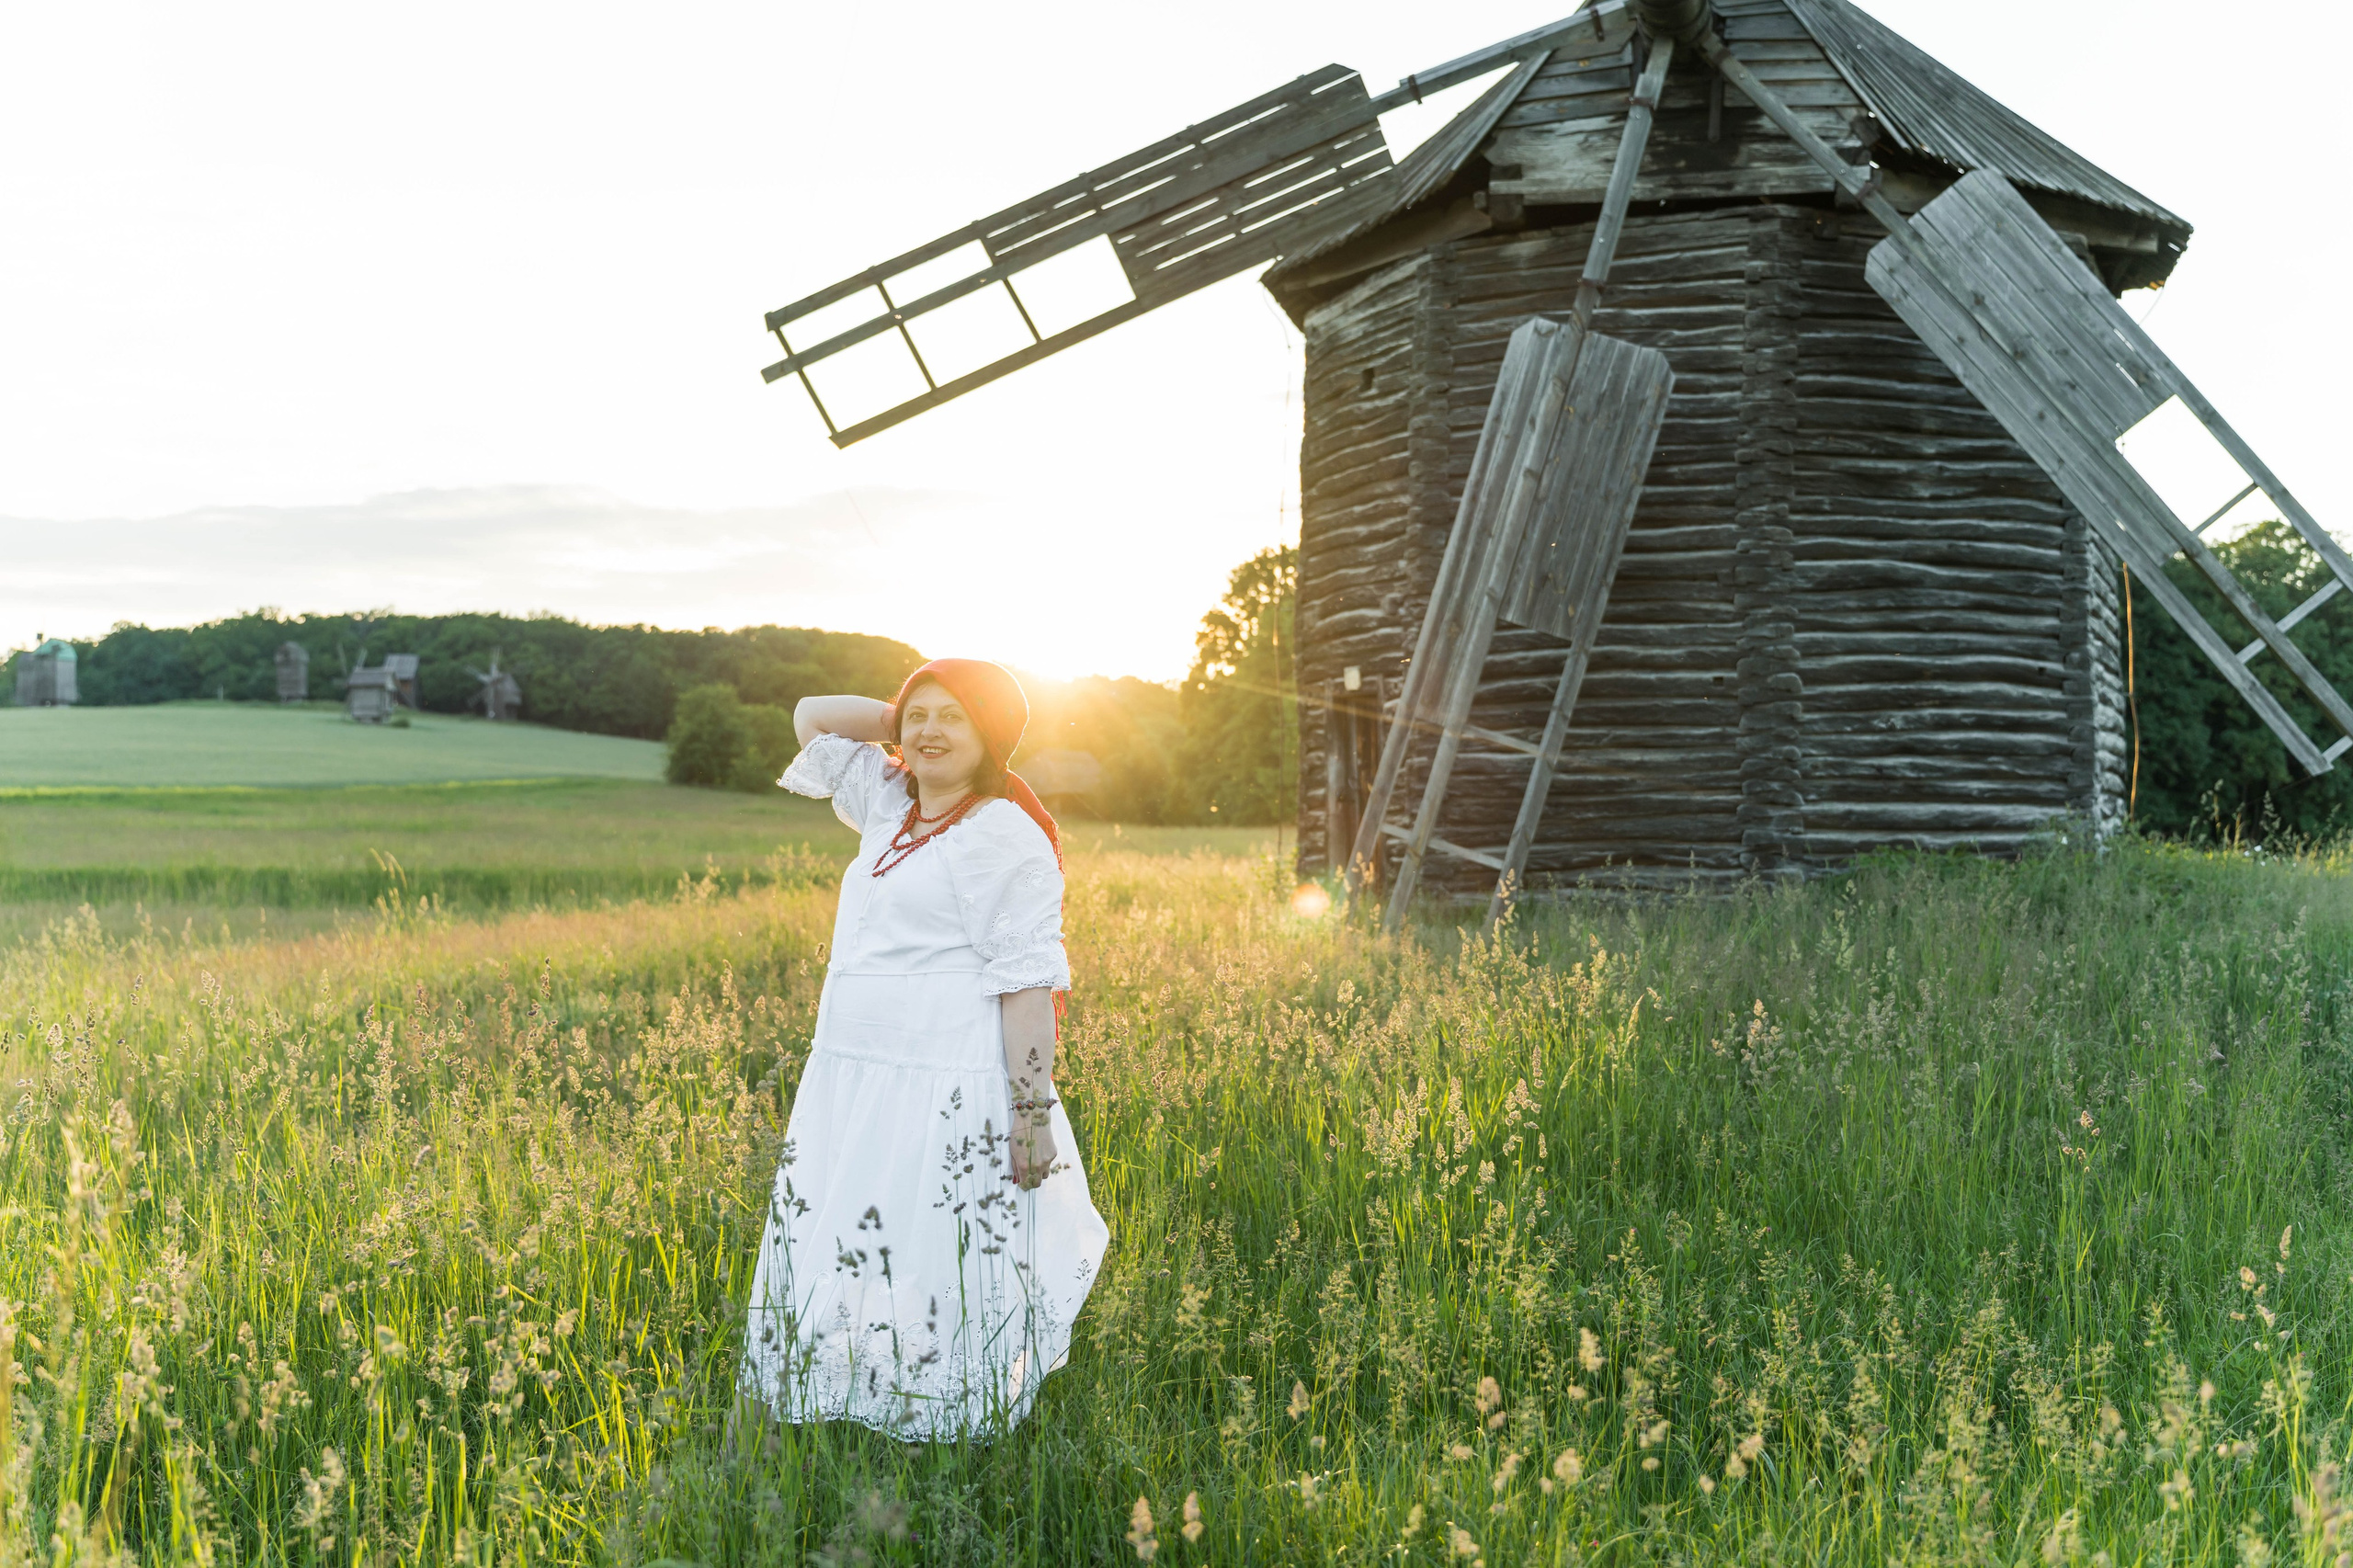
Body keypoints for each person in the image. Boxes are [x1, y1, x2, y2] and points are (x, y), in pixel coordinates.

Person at [738, 658, 1109, 1441]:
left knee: (930, 1253)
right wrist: (901, 716)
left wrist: (1030, 1113)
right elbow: (810, 712)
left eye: (955, 717)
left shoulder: (1005, 835)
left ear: (992, 735)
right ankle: (832, 1400)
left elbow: (1027, 986)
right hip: (851, 1072)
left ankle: (943, 1436)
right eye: (920, 717)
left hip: (941, 1075)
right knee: (838, 1236)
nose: (931, 731)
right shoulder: (887, 800)